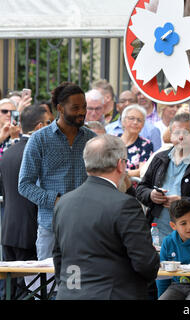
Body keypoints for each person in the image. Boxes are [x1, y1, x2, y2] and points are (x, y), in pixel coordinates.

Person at [53, 134, 160, 299]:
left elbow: (59, 256)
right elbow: (145, 262)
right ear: (120, 165)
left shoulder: (64, 203)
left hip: (69, 293)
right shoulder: (125, 204)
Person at [18, 82, 97, 260]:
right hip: (51, 227)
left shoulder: (92, 139)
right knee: (49, 284)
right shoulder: (39, 139)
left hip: (86, 228)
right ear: (60, 108)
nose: (82, 112)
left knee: (82, 284)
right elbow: (24, 185)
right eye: (75, 107)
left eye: (84, 106)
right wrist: (58, 200)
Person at [0, 105, 50, 299]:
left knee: (9, 292)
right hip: (29, 231)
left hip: (9, 230)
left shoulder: (10, 152)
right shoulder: (36, 153)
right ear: (39, 127)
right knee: (27, 291)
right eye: (49, 123)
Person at [136, 113, 190, 241]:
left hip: (189, 234)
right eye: (177, 132)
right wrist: (151, 195)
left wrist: (183, 201)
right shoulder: (160, 158)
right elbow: (141, 189)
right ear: (170, 135)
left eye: (187, 132)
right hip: (157, 232)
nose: (181, 137)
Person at [157, 199, 190, 300]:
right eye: (183, 223)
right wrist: (161, 296)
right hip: (176, 286)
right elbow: (163, 276)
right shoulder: (168, 242)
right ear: (173, 226)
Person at [119, 104, 153, 178]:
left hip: (132, 186)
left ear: (143, 124)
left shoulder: (146, 144)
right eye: (131, 118)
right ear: (123, 121)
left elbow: (142, 171)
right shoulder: (112, 140)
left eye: (139, 120)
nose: (135, 122)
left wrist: (120, 174)